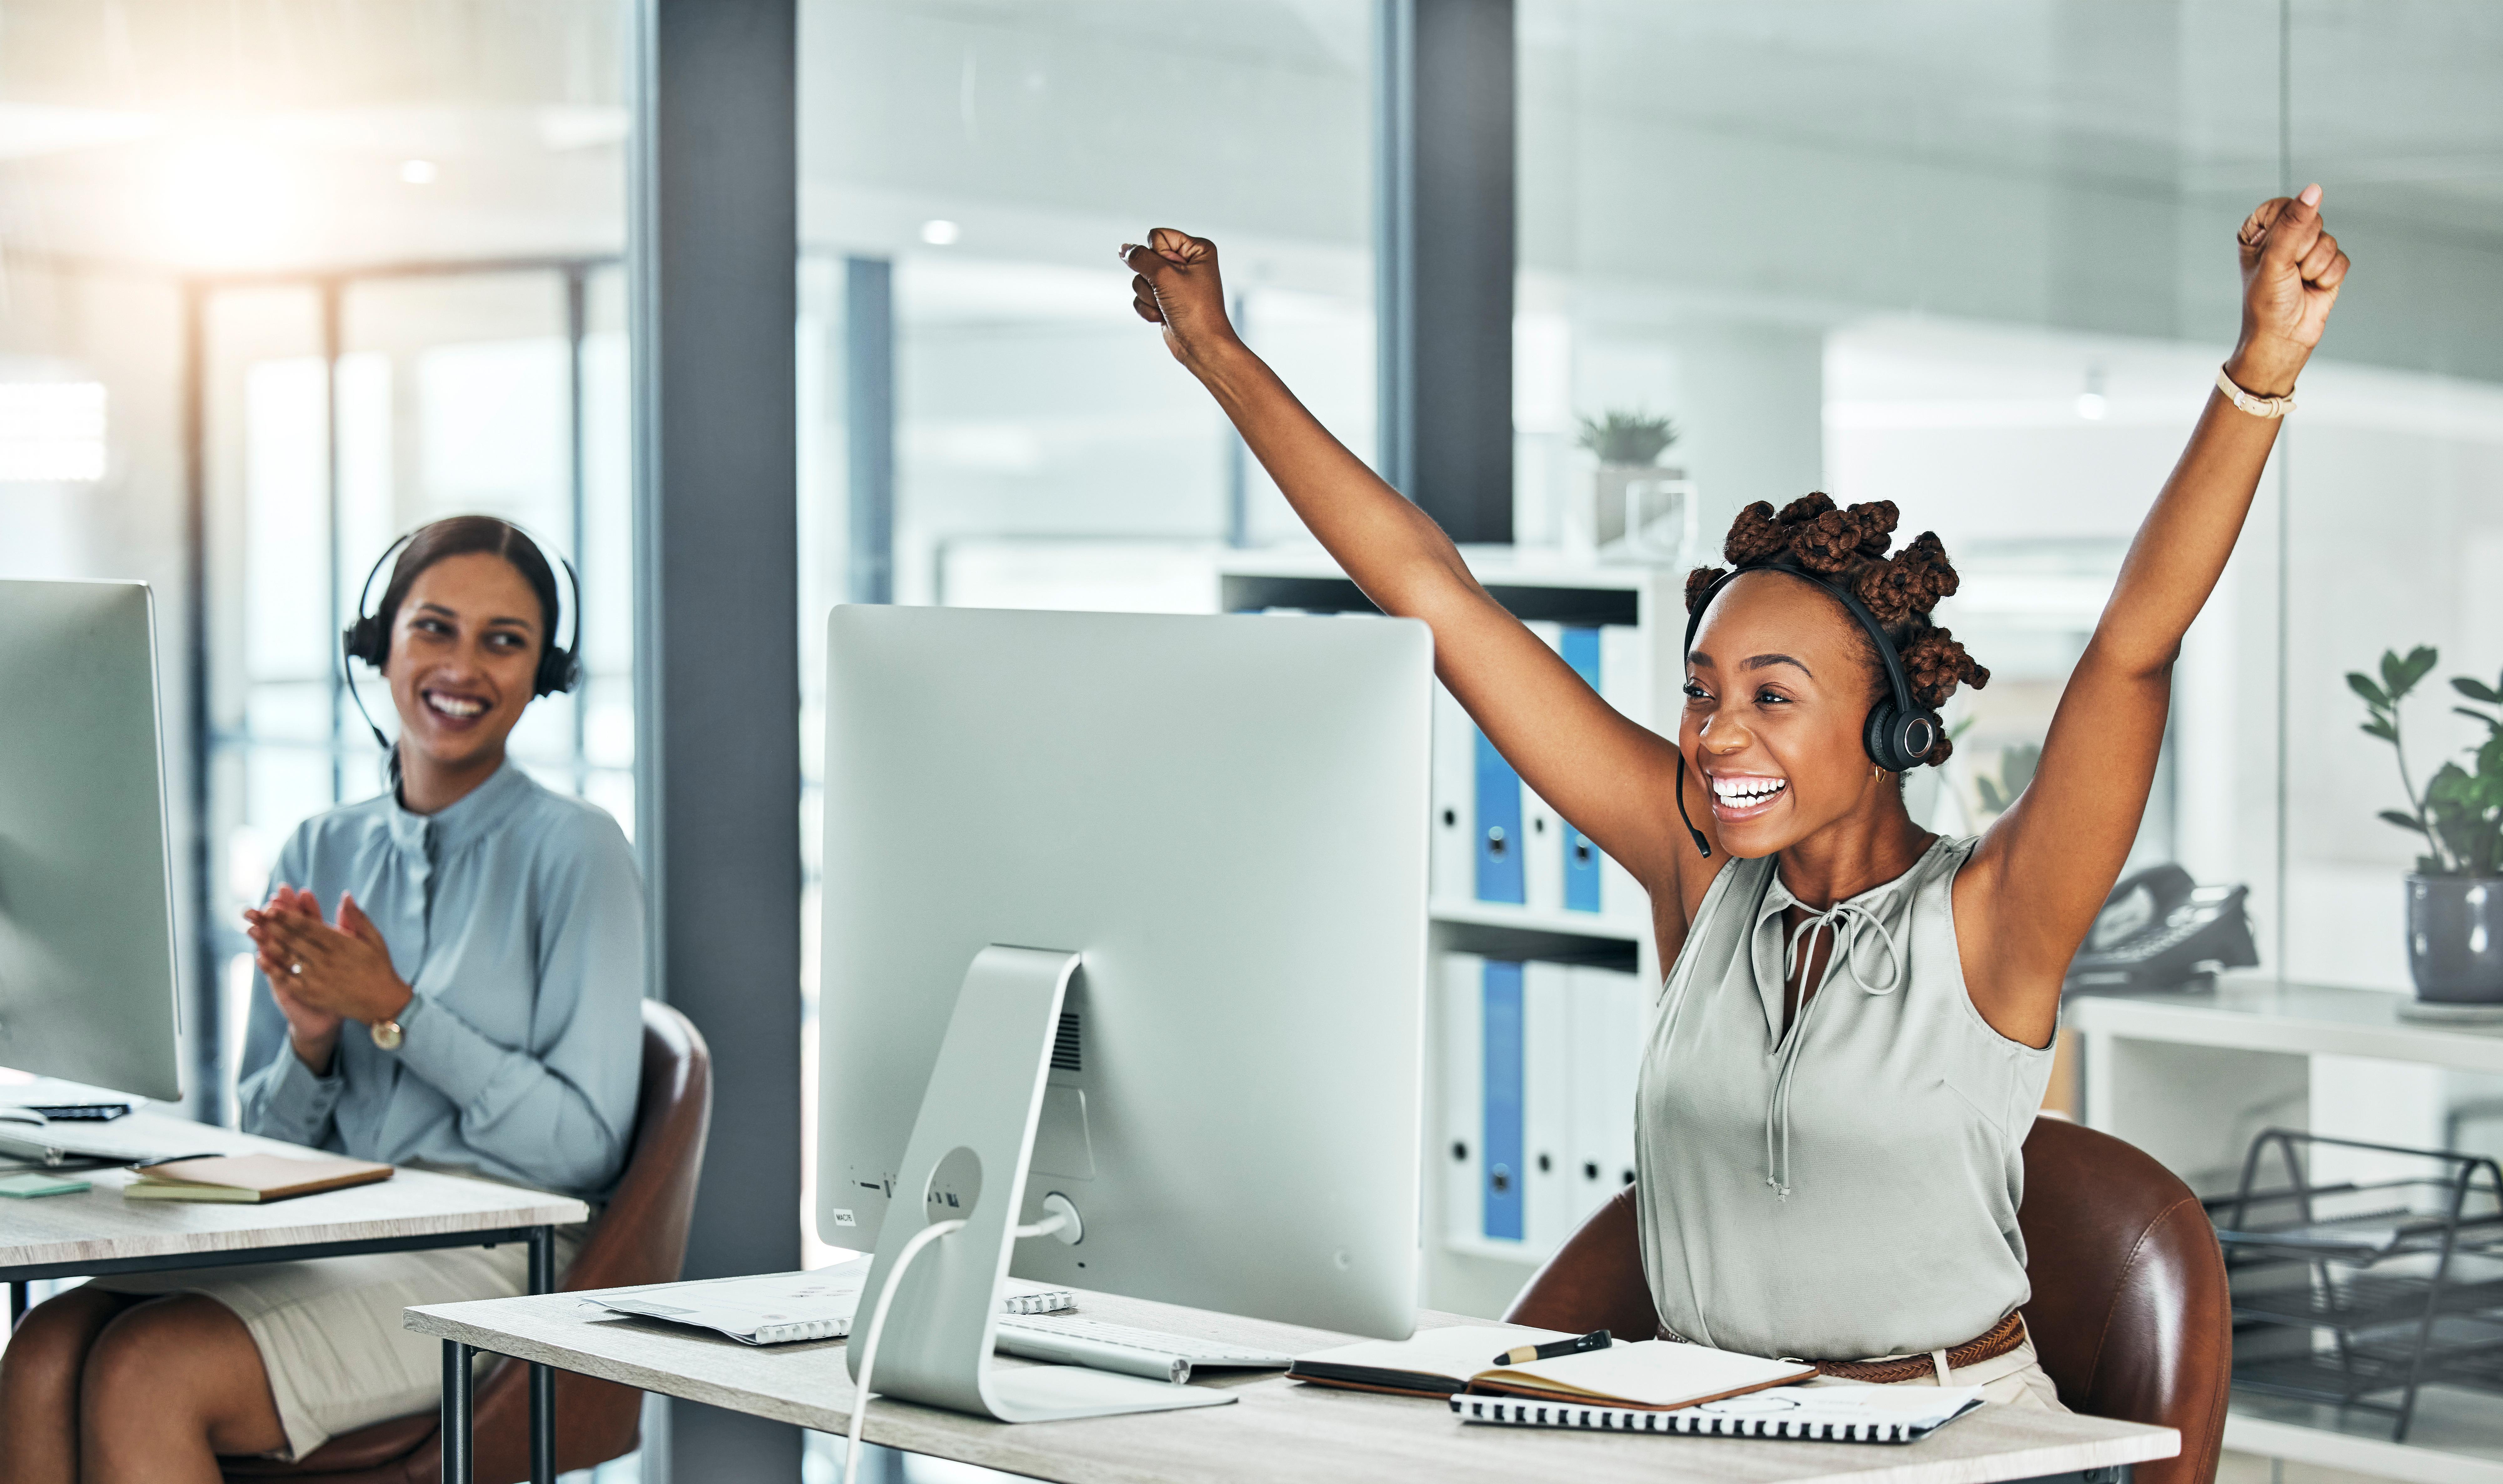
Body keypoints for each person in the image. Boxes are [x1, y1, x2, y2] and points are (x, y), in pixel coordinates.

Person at [1120, 189, 2347, 1404]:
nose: (1715, 735)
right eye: (1702, 692)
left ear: (1888, 723)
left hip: (1942, 1439)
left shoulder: (1994, 915)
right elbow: (1436, 594)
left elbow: (2132, 648)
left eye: (1772, 696)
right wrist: (1219, 354)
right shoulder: (1696, 864)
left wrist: (2262, 369)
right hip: (1707, 1427)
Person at [0, 516, 645, 1481]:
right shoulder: (320, 848)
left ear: (542, 674)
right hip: (337, 1232)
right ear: (377, 646)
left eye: (503, 641)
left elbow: (580, 1150)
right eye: (435, 628)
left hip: (495, 1259)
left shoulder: (577, 850)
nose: (463, 665)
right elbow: (267, 1142)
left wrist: (397, 1010)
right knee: (44, 1351)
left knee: (148, 1372)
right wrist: (310, 1043)